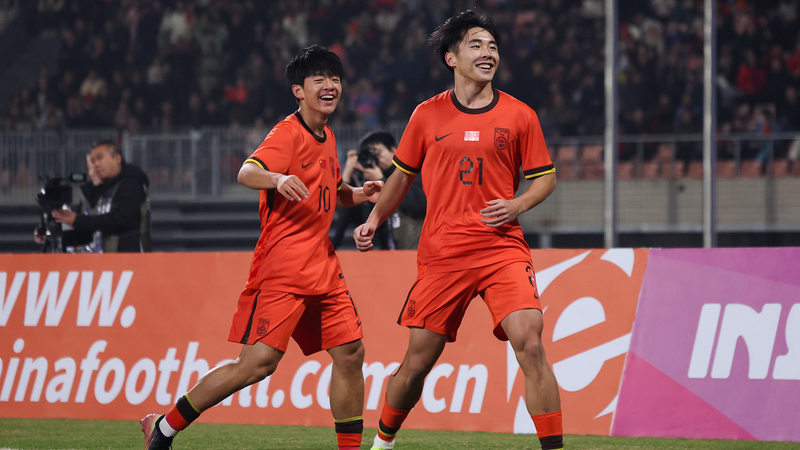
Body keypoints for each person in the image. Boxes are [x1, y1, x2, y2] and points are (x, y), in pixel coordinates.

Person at [141, 45, 383, 450]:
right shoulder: (287, 133)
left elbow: (331, 189)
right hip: (283, 268)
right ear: (298, 90)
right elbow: (247, 171)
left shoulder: (327, 135)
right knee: (256, 365)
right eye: (319, 79)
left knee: (350, 353)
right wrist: (276, 179)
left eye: (335, 78)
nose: (330, 86)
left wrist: (359, 193)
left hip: (323, 266)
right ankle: (164, 426)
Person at [353, 11, 563, 450]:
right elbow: (400, 178)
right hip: (443, 254)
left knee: (531, 342)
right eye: (476, 45)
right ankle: (384, 441)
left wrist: (518, 204)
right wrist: (372, 220)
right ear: (451, 57)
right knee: (416, 364)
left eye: (493, 46)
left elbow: (545, 178)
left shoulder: (520, 115)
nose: (488, 53)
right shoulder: (426, 115)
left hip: (502, 249)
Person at [37, 139, 151, 252]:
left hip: (129, 260)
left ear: (117, 158)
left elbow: (119, 219)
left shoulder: (131, 184)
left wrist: (78, 220)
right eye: (93, 161)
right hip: (106, 261)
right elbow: (92, 234)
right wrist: (55, 237)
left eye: (100, 158)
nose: (96, 164)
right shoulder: (103, 190)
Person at [332, 131, 426, 250]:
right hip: (387, 254)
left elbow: (418, 206)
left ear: (393, 150)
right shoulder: (369, 182)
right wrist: (346, 178)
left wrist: (382, 180)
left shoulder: (411, 174)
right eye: (368, 155)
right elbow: (350, 218)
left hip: (414, 251)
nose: (374, 159)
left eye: (377, 153)